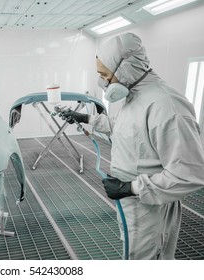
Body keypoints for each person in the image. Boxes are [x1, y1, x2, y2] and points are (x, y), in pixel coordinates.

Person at [60, 32, 204, 259]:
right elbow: (125, 128)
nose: (102, 83)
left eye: (104, 75)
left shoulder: (167, 106)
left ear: (125, 68)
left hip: (151, 206)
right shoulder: (136, 96)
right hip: (133, 202)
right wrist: (85, 118)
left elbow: (189, 174)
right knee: (134, 255)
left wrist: (131, 188)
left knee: (147, 260)